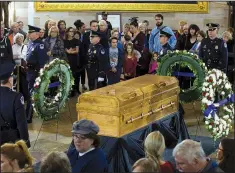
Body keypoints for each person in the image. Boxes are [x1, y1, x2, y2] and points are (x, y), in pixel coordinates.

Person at [0, 61, 30, 147]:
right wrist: (25, 142)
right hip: (12, 141)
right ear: (10, 79)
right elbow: (22, 124)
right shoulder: (16, 97)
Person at [26, 25, 49, 123]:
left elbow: (42, 62)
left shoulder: (40, 45)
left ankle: (28, 116)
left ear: (36, 34)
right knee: (30, 93)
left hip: (35, 73)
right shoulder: (31, 42)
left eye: (30, 33)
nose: (28, 34)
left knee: (32, 94)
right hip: (29, 71)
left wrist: (41, 75)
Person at [64, 27, 81, 96]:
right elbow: (65, 50)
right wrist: (69, 51)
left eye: (72, 31)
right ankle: (69, 90)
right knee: (68, 75)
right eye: (70, 31)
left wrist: (70, 52)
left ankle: (74, 89)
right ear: (67, 32)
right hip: (67, 60)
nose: (72, 33)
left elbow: (77, 51)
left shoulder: (76, 40)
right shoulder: (64, 41)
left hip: (74, 60)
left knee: (74, 75)